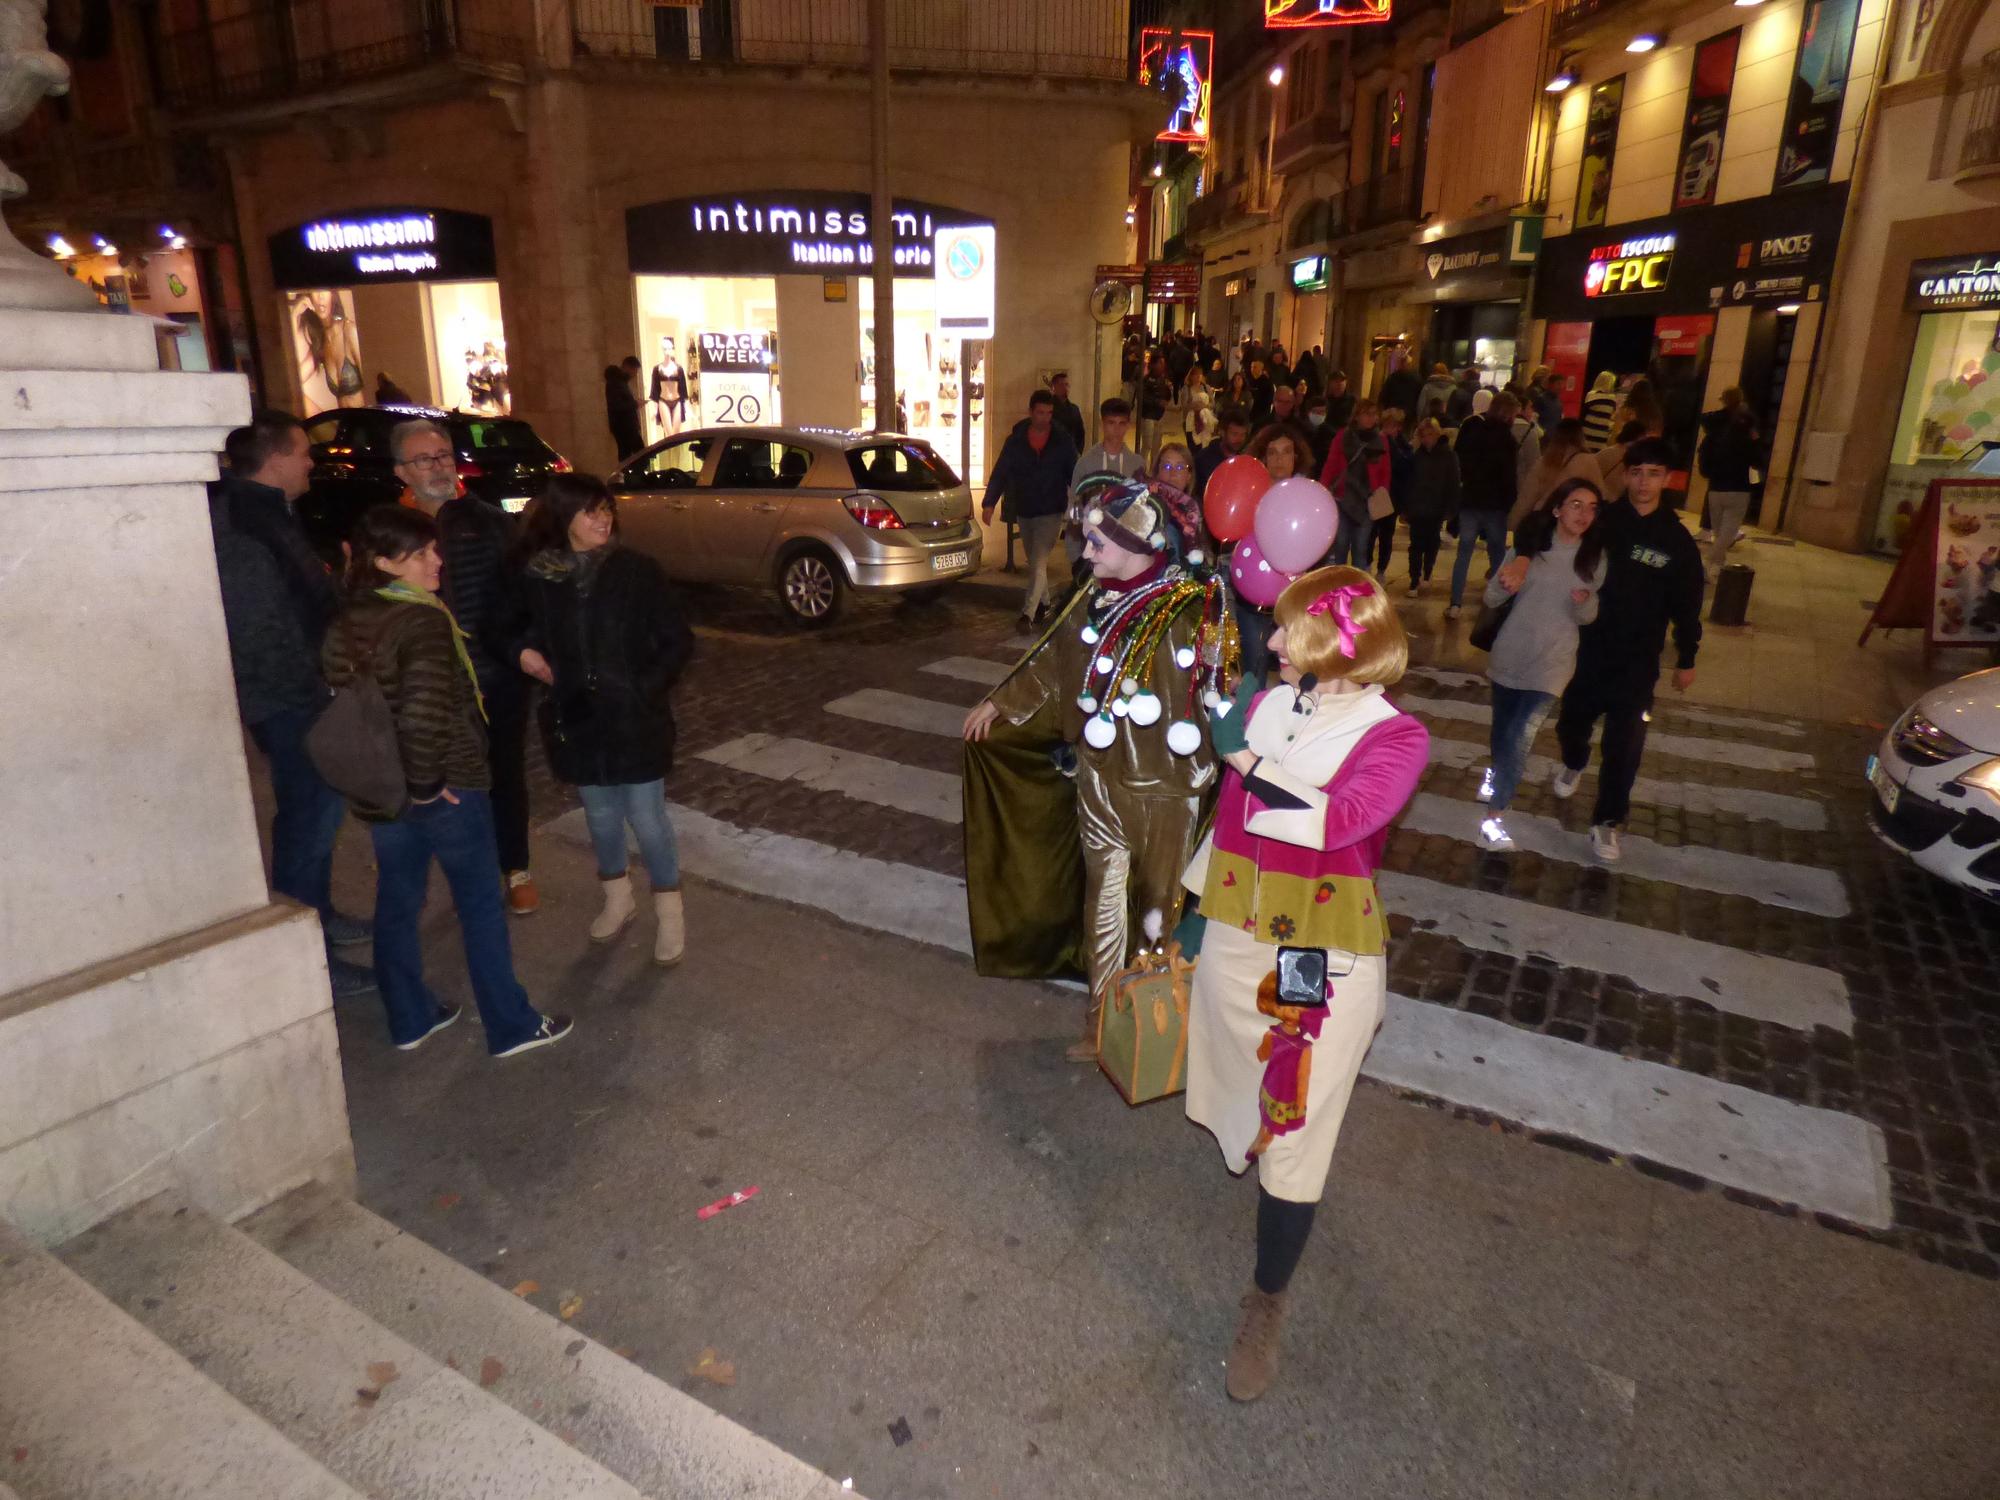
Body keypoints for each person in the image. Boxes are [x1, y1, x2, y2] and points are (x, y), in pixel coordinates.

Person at [1183, 566, 1428, 1403]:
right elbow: (1226, 820)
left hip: (1323, 951)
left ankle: (1269, 1297)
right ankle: (1260, 1157)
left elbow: (1339, 821)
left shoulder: (1398, 737)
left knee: (1298, 1119)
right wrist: (1192, 914)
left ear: (1333, 642)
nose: (1274, 641)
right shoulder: (1274, 699)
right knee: (1231, 1072)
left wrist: (1242, 755)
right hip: (1236, 924)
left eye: (1290, 630)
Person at [961, 478, 1223, 1060]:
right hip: (1100, 778)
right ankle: (1102, 1023)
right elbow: (1054, 665)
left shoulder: (1193, 607)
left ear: (1138, 543)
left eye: (1099, 542)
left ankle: (1156, 1029)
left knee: (1160, 911)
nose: (1086, 552)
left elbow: (1220, 691)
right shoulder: (1090, 598)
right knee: (1102, 903)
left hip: (1169, 788)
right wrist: (1001, 703)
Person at [322, 506, 572, 1057]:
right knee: (481, 902)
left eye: (433, 549)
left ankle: (409, 1017)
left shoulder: (348, 617)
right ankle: (511, 1024)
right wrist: (429, 786)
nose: (438, 560)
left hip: (379, 786)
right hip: (443, 786)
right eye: (421, 555)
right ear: (385, 562)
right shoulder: (422, 620)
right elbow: (424, 714)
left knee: (399, 898)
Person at [207, 411, 375, 998]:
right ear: (275, 459)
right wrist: (321, 686)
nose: (311, 462)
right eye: (303, 452)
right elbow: (263, 630)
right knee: (309, 818)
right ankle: (311, 954)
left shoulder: (268, 513)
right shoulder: (245, 522)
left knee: (318, 813)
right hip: (291, 699)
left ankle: (319, 917)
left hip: (303, 692)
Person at [516, 475, 695, 964]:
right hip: (578, 714)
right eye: (590, 511)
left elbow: (677, 639)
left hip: (633, 714)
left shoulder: (637, 571)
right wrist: (524, 652)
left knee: (646, 815)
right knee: (598, 813)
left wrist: (644, 688)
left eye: (607, 510)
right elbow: (513, 627)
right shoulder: (542, 575)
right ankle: (617, 898)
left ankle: (669, 911)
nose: (602, 519)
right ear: (563, 518)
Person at [390, 418, 540, 915]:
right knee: (452, 780)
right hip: (433, 684)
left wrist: (518, 649)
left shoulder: (488, 520)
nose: (438, 466)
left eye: (445, 455)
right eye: (425, 459)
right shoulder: (393, 532)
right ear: (402, 472)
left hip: (495, 674)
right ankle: (469, 873)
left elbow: (522, 595)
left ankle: (515, 867)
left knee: (505, 773)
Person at [1551, 438, 1704, 863]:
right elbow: (1559, 545)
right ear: (1625, 475)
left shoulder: (1676, 541)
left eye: (1654, 473)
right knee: (1572, 724)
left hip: (1638, 661)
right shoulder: (1603, 523)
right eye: (1636, 472)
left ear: (1667, 480)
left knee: (1626, 744)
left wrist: (1687, 656)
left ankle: (1608, 821)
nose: (1643, 481)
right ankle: (1574, 760)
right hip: (1589, 648)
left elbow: (1687, 603)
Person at [1476, 479, 1608, 851]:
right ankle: (1496, 772)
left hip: (1554, 663)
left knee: (1521, 735)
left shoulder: (1594, 557)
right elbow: (1490, 596)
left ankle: (1495, 816)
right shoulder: (1529, 549)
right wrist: (1505, 583)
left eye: (1591, 507)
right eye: (1576, 505)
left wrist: (1583, 602)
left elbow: (1589, 616)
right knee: (1503, 731)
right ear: (1557, 509)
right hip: (1511, 652)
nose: (1584, 514)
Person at [982, 390, 1081, 625]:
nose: (1045, 418)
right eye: (1040, 412)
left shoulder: (1062, 440)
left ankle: (1028, 612)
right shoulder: (1016, 441)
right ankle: (1045, 602)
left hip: (1051, 509)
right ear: (1031, 412)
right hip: (1025, 508)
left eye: (1049, 413)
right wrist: (989, 503)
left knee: (1038, 561)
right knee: (1035, 560)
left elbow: (1074, 473)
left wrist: (1079, 501)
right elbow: (1001, 471)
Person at [1447, 389, 1519, 619]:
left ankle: (1455, 603)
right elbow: (1509, 476)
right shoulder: (1507, 439)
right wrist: (1510, 503)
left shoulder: (1472, 428)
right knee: (1497, 553)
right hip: (1495, 504)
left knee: (1464, 552)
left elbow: (1459, 459)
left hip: (1470, 498)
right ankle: (1496, 602)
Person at [1069, 396, 1146, 571]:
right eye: (1111, 423)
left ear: (1128, 425)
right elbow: (1073, 504)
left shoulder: (1136, 463)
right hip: (1090, 546)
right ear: (1103, 424)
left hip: (1125, 550)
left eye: (1122, 423)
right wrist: (1074, 552)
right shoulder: (1086, 463)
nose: (1117, 429)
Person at [1319, 398, 1389, 570]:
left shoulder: (1380, 440)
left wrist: (1382, 491)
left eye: (1374, 415)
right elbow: (1332, 463)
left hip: (1366, 499)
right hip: (1342, 497)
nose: (1371, 418)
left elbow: (1385, 471)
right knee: (1341, 544)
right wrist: (1323, 487)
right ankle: (1339, 583)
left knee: (1360, 546)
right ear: (1356, 416)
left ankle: (1358, 587)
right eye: (1366, 414)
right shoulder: (1343, 436)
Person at [1697, 388, 1760, 575]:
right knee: (1726, 533)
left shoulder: (1713, 426)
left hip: (1716, 485)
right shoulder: (1747, 427)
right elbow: (1756, 456)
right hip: (1739, 486)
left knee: (1720, 532)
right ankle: (1707, 566)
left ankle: (1717, 565)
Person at [1510, 417, 1601, 536]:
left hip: (1542, 520)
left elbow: (1527, 496)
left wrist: (1514, 524)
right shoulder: (1588, 461)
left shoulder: (1545, 461)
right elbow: (1600, 494)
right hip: (1568, 523)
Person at [1402, 416, 1458, 598]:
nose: (1427, 439)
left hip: (1436, 506)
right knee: (1416, 545)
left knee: (1431, 542)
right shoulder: (1417, 456)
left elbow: (1452, 482)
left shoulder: (1448, 455)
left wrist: (1451, 508)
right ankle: (1414, 579)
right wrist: (1406, 506)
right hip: (1418, 506)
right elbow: (1409, 482)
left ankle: (1427, 571)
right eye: (1423, 435)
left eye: (1430, 435)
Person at [1370, 406, 1412, 579]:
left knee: (1386, 535)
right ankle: (1367, 564)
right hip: (1377, 494)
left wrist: (1392, 446)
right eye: (1386, 426)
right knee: (1371, 533)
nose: (1389, 430)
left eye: (1393, 426)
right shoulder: (1376, 441)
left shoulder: (1403, 446)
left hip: (1393, 497)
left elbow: (1404, 466)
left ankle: (1381, 570)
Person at [1195, 405, 1252, 498]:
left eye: (1243, 435)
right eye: (1234, 434)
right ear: (1222, 432)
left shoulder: (1246, 460)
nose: (1239, 439)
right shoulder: (1203, 459)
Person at [605, 358, 645, 462]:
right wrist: (635, 404)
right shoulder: (615, 383)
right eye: (634, 371)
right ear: (627, 367)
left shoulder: (620, 382)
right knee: (639, 455)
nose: (635, 374)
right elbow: (617, 406)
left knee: (628, 455)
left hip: (625, 426)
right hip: (624, 426)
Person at [1140, 353, 1174, 457]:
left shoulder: (1163, 379)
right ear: (1154, 364)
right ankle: (1142, 470)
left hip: (1159, 416)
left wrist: (1169, 390)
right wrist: (1157, 402)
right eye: (1160, 363)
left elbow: (1166, 396)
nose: (1162, 366)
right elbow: (1142, 397)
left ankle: (1153, 470)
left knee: (1156, 446)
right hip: (1148, 416)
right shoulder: (1146, 380)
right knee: (1147, 445)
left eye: (1163, 363)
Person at [1378, 349, 1422, 426]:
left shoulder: (1392, 378)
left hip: (1394, 414)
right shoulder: (1416, 379)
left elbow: (1383, 397)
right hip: (1408, 413)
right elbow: (1419, 398)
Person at [1580, 371, 1620, 452]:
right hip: (1602, 434)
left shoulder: (1591, 395)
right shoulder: (1612, 399)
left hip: (1587, 432)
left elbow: (1583, 414)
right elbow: (1612, 415)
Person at [1048, 371, 1088, 454]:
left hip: (1071, 453)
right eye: (1061, 384)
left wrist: (1078, 452)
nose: (1065, 388)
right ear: (1054, 387)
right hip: (1052, 454)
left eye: (1067, 384)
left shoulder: (1074, 409)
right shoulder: (1048, 408)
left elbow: (1080, 433)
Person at [1184, 365, 1217, 448]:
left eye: (1200, 374)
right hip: (1191, 422)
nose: (1198, 376)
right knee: (1193, 446)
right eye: (1196, 374)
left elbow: (1213, 404)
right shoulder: (1186, 389)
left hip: (1205, 421)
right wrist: (1195, 406)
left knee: (1205, 445)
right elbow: (1184, 406)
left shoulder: (1206, 388)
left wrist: (1205, 406)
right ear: (1191, 376)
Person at [1526, 366, 1565, 434]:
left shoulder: (1558, 401)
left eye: (1562, 384)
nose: (1561, 387)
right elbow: (1533, 418)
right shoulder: (1540, 398)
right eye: (1558, 384)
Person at [1418, 363, 1458, 428]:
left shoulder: (1427, 386)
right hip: (1447, 420)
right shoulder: (1454, 387)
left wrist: (1419, 420)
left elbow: (1421, 405)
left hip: (1429, 420)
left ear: (1434, 371)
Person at [1247, 357, 1276, 425]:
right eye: (1251, 367)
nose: (1252, 369)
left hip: (1261, 416)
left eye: (1255, 367)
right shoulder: (1250, 381)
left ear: (1261, 369)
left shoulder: (1267, 383)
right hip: (1251, 415)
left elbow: (1269, 400)